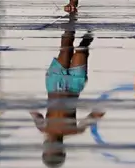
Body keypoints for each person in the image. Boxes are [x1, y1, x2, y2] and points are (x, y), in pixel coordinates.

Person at [29, 17, 104, 167]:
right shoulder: (73, 131)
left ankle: (71, 23)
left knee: (65, 50)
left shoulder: (43, 127)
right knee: (80, 53)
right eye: (55, 150)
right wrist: (96, 114)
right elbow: (92, 117)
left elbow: (35, 113)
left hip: (54, 84)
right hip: (74, 87)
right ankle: (84, 43)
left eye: (49, 149)